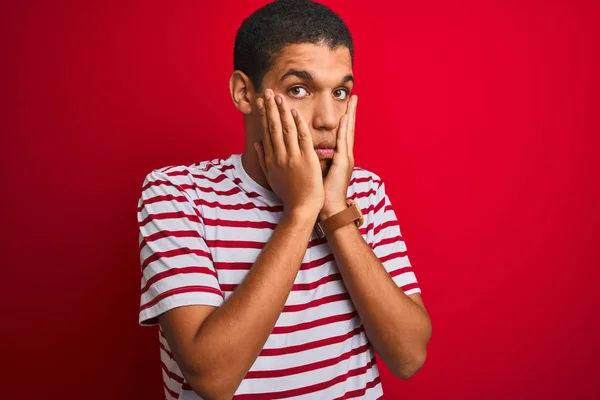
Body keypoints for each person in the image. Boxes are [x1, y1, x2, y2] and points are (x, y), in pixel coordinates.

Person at [137, 1, 432, 398]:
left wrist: (332, 210)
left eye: (341, 91)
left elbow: (409, 356)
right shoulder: (177, 194)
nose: (328, 118)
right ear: (245, 93)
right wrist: (300, 211)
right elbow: (213, 379)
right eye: (299, 89)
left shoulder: (364, 192)